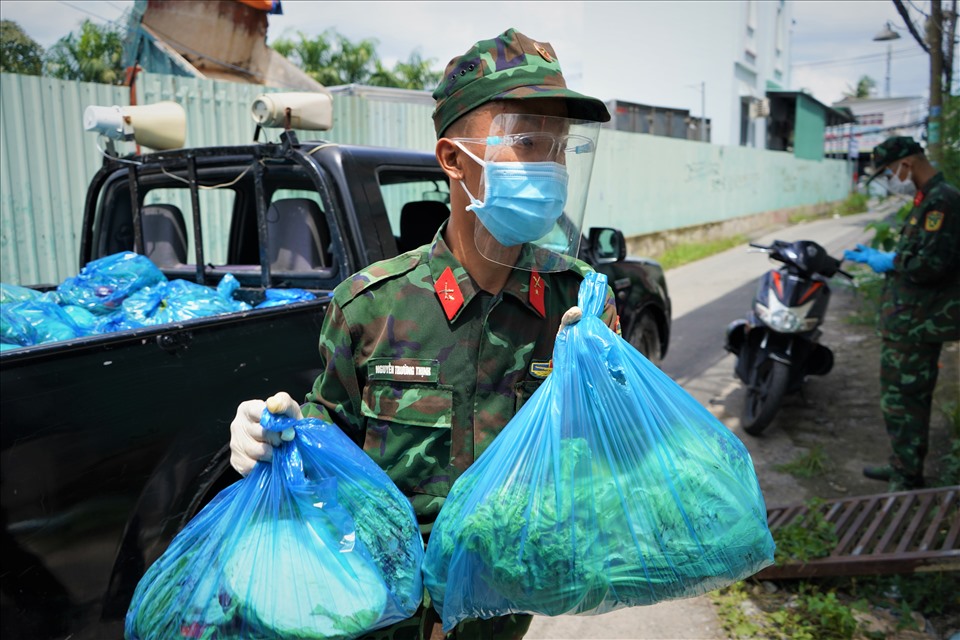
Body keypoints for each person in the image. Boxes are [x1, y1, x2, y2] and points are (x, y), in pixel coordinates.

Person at [229, 27, 620, 640]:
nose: (550, 167)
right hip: (384, 615)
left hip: (502, 616)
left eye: (561, 148)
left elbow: (608, 463)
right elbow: (327, 458)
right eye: (526, 142)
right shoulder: (369, 308)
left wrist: (604, 381)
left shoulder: (577, 306)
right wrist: (269, 440)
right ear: (452, 159)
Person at [844, 136, 960, 492]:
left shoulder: (944, 201)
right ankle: (902, 464)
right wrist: (888, 258)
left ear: (907, 164)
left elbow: (931, 264)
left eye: (891, 171)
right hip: (907, 321)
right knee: (897, 401)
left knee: (907, 401)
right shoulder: (927, 199)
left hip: (920, 324)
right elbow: (919, 252)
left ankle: (908, 478)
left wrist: (890, 261)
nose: (891, 178)